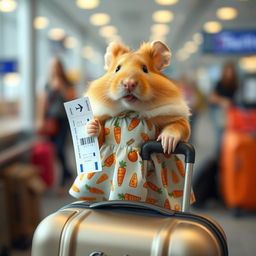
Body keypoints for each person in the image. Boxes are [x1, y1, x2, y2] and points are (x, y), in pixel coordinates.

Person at [36, 58, 76, 194]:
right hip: (50, 121)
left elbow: (72, 99)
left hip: (64, 120)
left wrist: (62, 87)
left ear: (61, 68)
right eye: (52, 66)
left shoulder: (67, 83)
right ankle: (68, 174)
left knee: (59, 149)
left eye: (57, 66)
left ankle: (63, 180)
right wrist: (40, 119)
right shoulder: (46, 84)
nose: (55, 69)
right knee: (54, 150)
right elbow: (43, 103)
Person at [208, 61, 239, 156]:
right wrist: (222, 101)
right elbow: (212, 97)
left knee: (231, 136)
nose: (229, 73)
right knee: (220, 136)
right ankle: (219, 157)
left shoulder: (236, 85)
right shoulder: (220, 83)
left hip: (232, 114)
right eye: (228, 71)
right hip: (220, 113)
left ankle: (228, 156)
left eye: (231, 71)